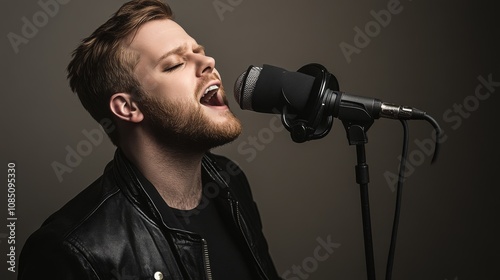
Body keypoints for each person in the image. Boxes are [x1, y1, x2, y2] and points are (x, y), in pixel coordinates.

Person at [18, 0, 281, 279]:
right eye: (175, 64)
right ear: (128, 108)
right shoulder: (72, 250)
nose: (208, 62)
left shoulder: (230, 181)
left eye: (199, 52)